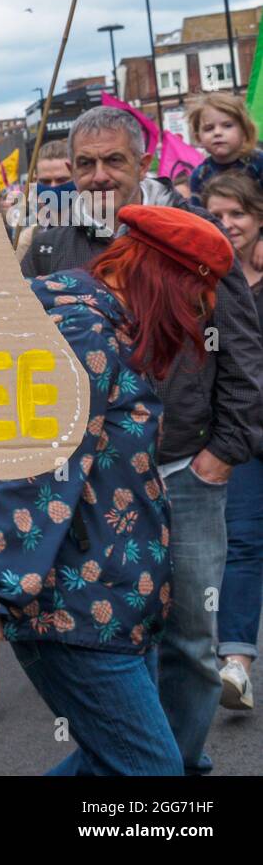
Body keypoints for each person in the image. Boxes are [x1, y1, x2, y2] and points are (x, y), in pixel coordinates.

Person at [23, 106, 263, 774]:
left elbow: (244, 359)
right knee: (114, 638)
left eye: (114, 162)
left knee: (188, 636)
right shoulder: (46, 243)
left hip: (183, 474)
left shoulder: (195, 236)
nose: (99, 177)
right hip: (90, 485)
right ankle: (144, 762)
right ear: (69, 171)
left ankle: (173, 766)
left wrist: (222, 454)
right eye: (85, 165)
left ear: (142, 164)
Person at [0, 204, 236, 775]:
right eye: (192, 300)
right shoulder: (80, 328)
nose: (192, 318)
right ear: (161, 277)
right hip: (74, 608)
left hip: (105, 601)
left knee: (117, 765)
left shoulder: (100, 320)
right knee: (150, 776)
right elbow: (35, 469)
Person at [201, 171, 263, 710]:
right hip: (241, 432)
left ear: (258, 217)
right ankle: (236, 663)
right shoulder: (200, 278)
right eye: (216, 216)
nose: (227, 226)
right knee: (241, 542)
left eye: (237, 214)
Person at [187, 92, 263, 273]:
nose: (218, 133)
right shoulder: (199, 176)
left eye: (227, 125)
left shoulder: (258, 163)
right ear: (198, 137)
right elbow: (200, 221)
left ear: (244, 130)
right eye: (209, 128)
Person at [15, 138, 74, 263]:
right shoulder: (29, 240)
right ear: (36, 181)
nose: (53, 187)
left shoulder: (99, 231)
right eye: (46, 181)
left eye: (61, 180)